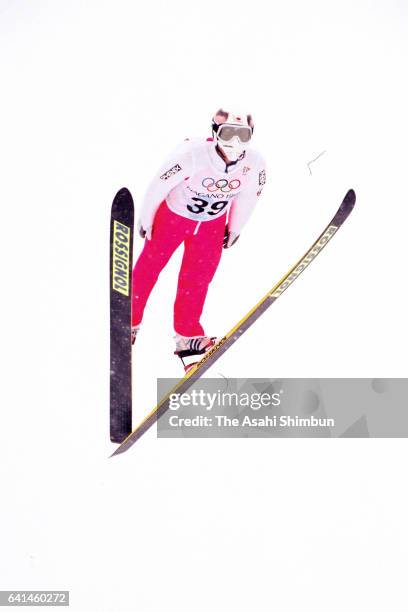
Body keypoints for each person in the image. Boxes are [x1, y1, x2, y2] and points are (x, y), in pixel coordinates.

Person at [132, 108, 267, 370]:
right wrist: (147, 217)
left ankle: (188, 338)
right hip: (173, 217)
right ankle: (128, 320)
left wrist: (235, 227)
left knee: (197, 279)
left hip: (210, 226)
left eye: (243, 135)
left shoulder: (255, 163)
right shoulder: (192, 154)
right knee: (148, 268)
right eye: (228, 133)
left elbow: (249, 196)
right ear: (215, 132)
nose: (234, 143)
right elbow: (159, 183)